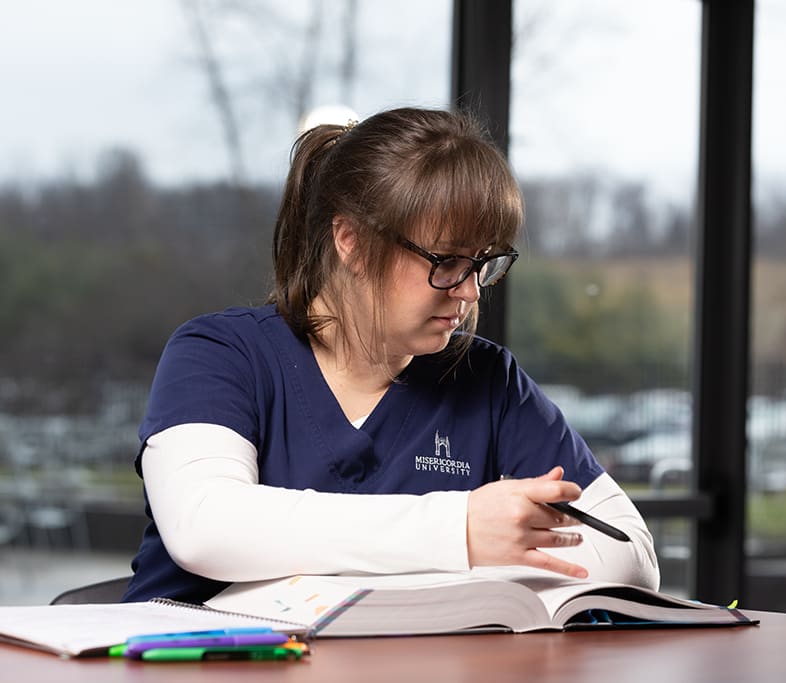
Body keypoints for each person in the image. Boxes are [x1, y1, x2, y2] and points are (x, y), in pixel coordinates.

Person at [122, 106, 659, 604]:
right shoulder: (219, 355)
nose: (470, 292)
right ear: (350, 240)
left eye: (483, 264)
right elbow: (206, 528)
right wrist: (462, 531)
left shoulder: (488, 381)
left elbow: (628, 554)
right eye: (446, 262)